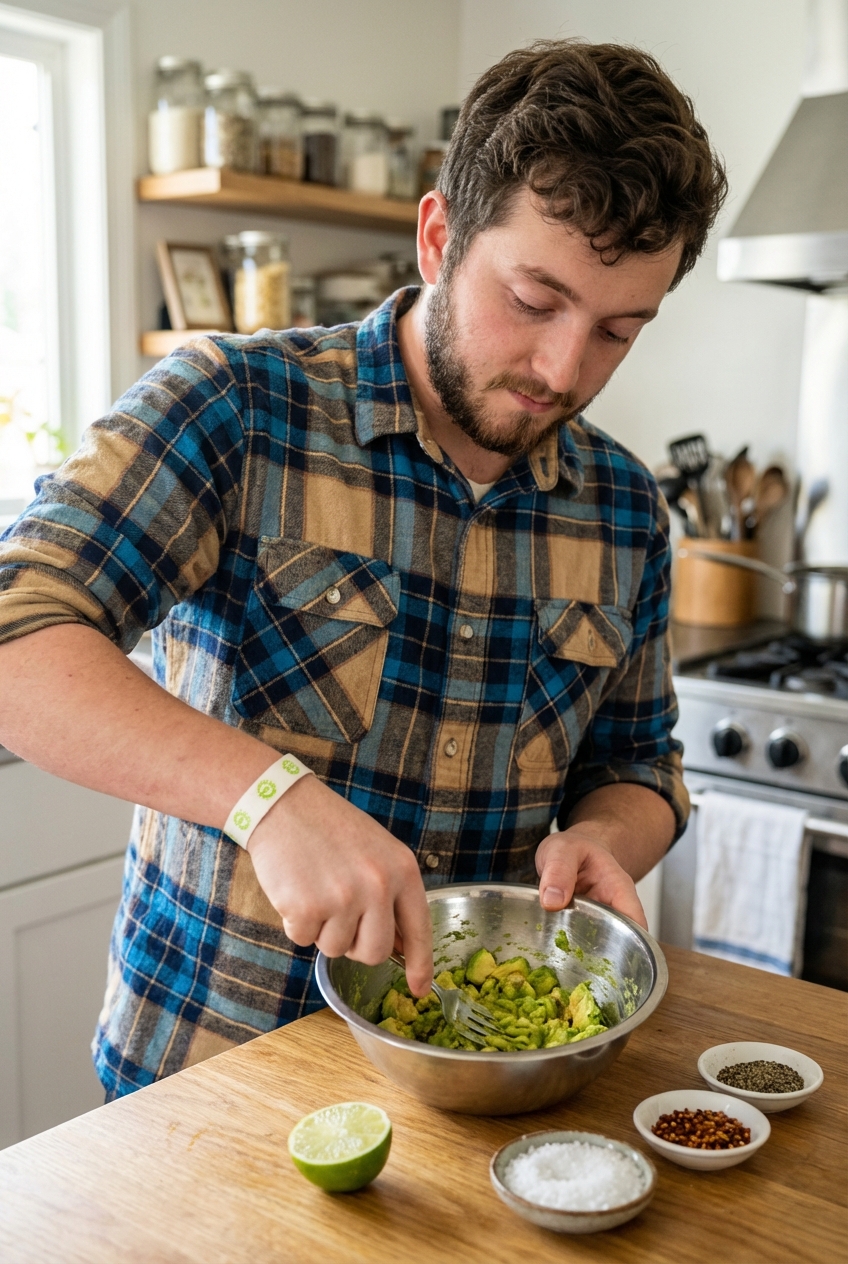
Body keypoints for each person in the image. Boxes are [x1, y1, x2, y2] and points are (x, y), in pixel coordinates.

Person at [0, 39, 726, 1097]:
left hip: (481, 1084)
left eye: (618, 329)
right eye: (531, 300)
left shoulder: (620, 506)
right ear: (437, 237)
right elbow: (20, 632)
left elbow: (640, 763)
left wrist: (608, 838)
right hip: (210, 1081)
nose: (564, 370)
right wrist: (268, 799)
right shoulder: (237, 406)